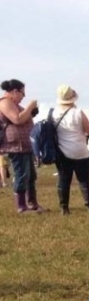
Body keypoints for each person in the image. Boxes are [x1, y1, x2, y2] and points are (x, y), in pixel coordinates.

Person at [0, 79, 45, 213]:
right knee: (22, 174)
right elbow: (17, 119)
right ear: (15, 91)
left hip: (24, 145)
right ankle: (21, 206)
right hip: (16, 146)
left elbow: (23, 118)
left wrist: (31, 112)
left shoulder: (14, 104)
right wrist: (30, 106)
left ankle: (32, 203)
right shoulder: (5, 102)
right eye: (22, 93)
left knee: (30, 175)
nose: (23, 97)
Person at [53, 85, 89, 216]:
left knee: (63, 181)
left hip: (62, 152)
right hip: (80, 151)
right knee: (84, 181)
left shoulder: (53, 113)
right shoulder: (78, 112)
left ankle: (64, 208)